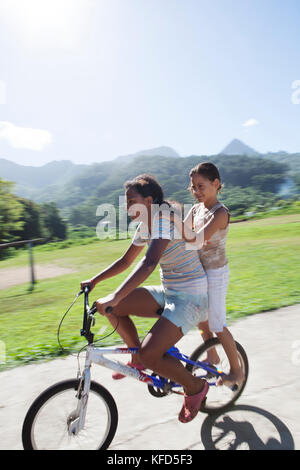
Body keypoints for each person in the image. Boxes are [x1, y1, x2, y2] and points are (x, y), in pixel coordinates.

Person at [81, 174, 209, 423]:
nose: (127, 207)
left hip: (191, 297)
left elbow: (149, 263)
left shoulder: (163, 220)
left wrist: (116, 296)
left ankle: (195, 388)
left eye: (132, 201)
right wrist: (95, 281)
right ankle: (138, 358)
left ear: (149, 200)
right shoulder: (146, 225)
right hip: (169, 292)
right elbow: (126, 261)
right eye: (125, 202)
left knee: (152, 353)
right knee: (112, 309)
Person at [172, 162, 244, 388]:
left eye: (201, 186)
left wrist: (175, 224)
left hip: (216, 273)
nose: (196, 191)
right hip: (199, 272)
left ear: (216, 184)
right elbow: (180, 235)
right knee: (202, 320)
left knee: (217, 322)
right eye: (193, 187)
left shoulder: (220, 213)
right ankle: (212, 358)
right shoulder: (196, 210)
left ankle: (237, 371)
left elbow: (195, 239)